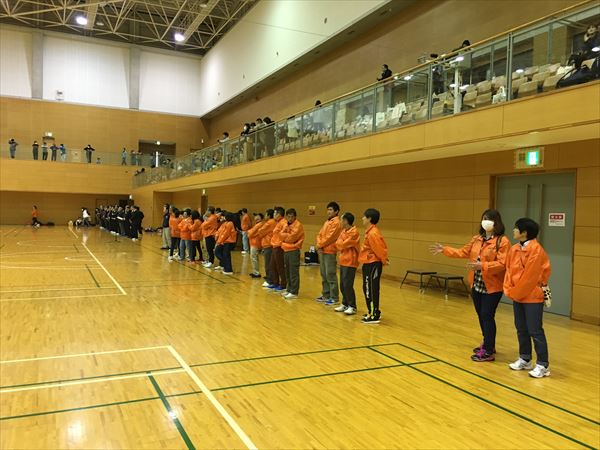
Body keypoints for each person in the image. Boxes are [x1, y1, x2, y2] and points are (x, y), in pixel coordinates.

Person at [430, 209, 510, 362]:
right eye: (484, 218)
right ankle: (488, 343)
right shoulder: (477, 239)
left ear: (496, 222)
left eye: (489, 219)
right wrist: (444, 249)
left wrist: (483, 266)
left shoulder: (502, 241)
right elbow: (462, 252)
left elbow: (503, 264)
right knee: (481, 315)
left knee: (487, 315)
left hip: (492, 286)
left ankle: (488, 351)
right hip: (477, 284)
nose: (486, 221)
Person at [504, 218, 552, 378]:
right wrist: (509, 289)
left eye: (516, 228)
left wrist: (515, 292)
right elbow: (509, 270)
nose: (513, 230)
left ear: (524, 233)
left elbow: (530, 277)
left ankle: (543, 364)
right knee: (521, 328)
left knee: (535, 330)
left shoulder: (536, 250)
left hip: (532, 296)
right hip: (517, 295)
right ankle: (525, 358)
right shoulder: (514, 248)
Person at [359, 208, 389, 324]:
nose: (362, 218)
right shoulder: (370, 231)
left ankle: (374, 314)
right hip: (368, 263)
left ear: (369, 219)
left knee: (371, 289)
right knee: (367, 288)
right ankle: (372, 311)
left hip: (373, 264)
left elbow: (380, 249)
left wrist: (384, 260)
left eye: (364, 216)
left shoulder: (373, 233)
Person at [315, 202, 342, 305]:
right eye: (328, 209)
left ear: (336, 211)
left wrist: (319, 245)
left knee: (330, 274)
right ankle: (326, 294)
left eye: (330, 210)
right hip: (322, 250)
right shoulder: (327, 222)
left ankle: (334, 297)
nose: (328, 212)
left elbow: (330, 238)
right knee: (323, 274)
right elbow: (320, 234)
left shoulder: (337, 223)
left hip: (330, 251)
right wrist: (319, 245)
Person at [334, 212, 360, 315]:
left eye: (341, 219)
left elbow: (343, 245)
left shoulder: (354, 232)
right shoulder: (343, 231)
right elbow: (338, 244)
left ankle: (352, 306)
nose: (340, 221)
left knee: (348, 284)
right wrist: (341, 243)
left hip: (350, 261)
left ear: (345, 221)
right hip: (343, 260)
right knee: (342, 284)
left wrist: (342, 243)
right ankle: (345, 303)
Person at [279, 208, 305, 299]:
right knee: (287, 271)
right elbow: (280, 235)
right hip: (286, 250)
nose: (290, 218)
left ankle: (294, 292)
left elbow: (291, 238)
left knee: (293, 272)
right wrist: (286, 236)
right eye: (288, 216)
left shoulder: (298, 225)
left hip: (294, 250)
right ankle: (289, 289)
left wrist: (285, 237)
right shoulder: (286, 224)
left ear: (295, 217)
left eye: (292, 217)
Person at [266, 207, 287, 292]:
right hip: (274, 246)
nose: (273, 215)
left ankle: (283, 284)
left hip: (279, 247)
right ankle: (275, 283)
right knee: (272, 265)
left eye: (275, 213)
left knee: (280, 266)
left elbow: (283, 235)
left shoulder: (284, 223)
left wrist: (279, 244)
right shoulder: (278, 222)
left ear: (279, 214)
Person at [258, 209, 276, 286]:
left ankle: (270, 280)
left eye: (266, 214)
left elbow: (260, 231)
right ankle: (271, 279)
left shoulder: (269, 223)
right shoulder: (274, 222)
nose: (265, 216)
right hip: (270, 244)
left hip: (268, 245)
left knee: (268, 264)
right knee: (270, 264)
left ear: (269, 215)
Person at [247, 212, 264, 278]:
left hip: (255, 243)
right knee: (254, 258)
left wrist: (249, 232)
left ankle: (256, 272)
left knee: (254, 258)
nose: (256, 218)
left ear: (261, 218)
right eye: (255, 216)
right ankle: (255, 271)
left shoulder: (258, 225)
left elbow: (250, 233)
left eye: (258, 217)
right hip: (255, 243)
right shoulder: (258, 224)